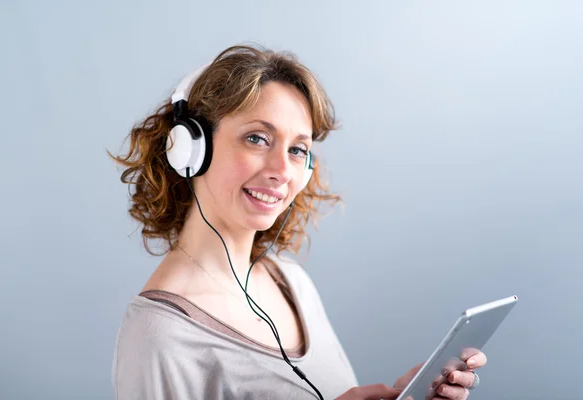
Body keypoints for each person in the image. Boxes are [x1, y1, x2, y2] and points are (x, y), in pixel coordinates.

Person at [110, 44, 487, 400]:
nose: (282, 171)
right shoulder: (159, 334)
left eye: (297, 150)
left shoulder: (292, 284)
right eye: (257, 138)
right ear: (190, 149)